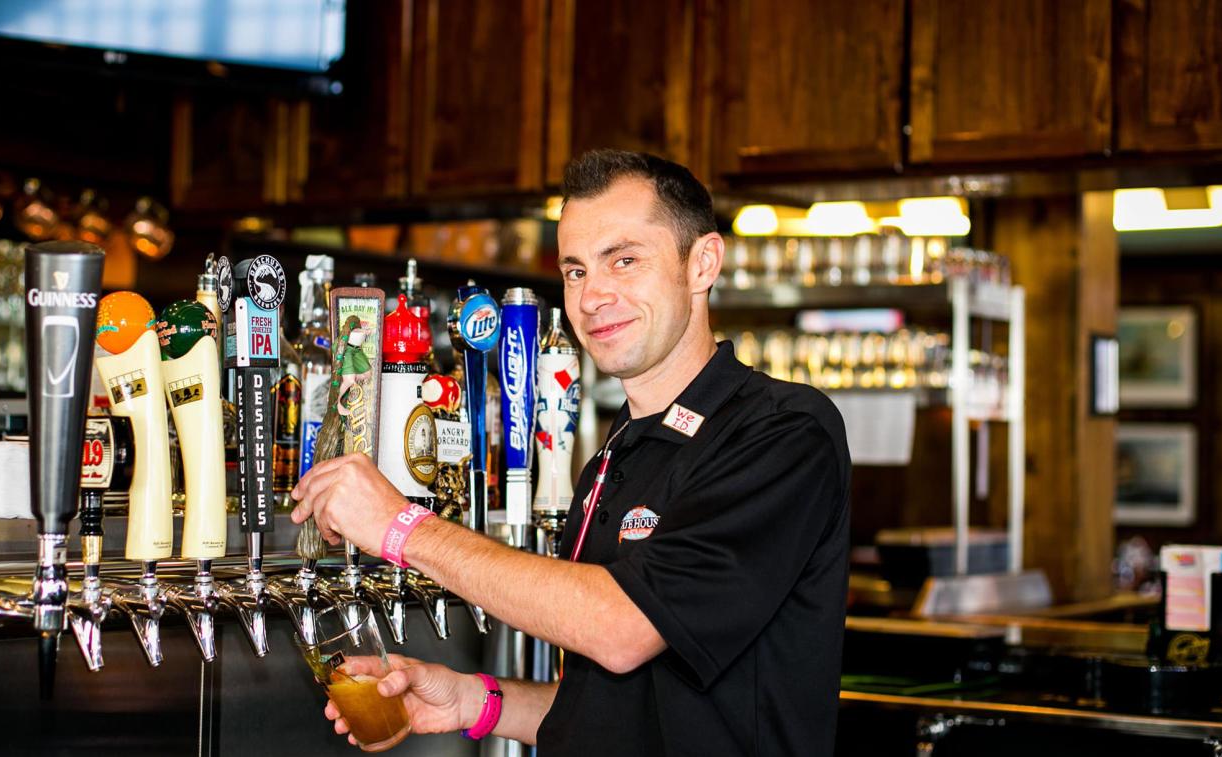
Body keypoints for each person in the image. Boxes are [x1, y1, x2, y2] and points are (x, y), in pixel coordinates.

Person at [291, 149, 850, 755]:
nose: (592, 297)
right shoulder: (619, 453)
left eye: (625, 261)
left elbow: (623, 629)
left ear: (702, 263)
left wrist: (401, 527)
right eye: (577, 271)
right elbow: (613, 706)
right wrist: (470, 699)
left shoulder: (781, 432)